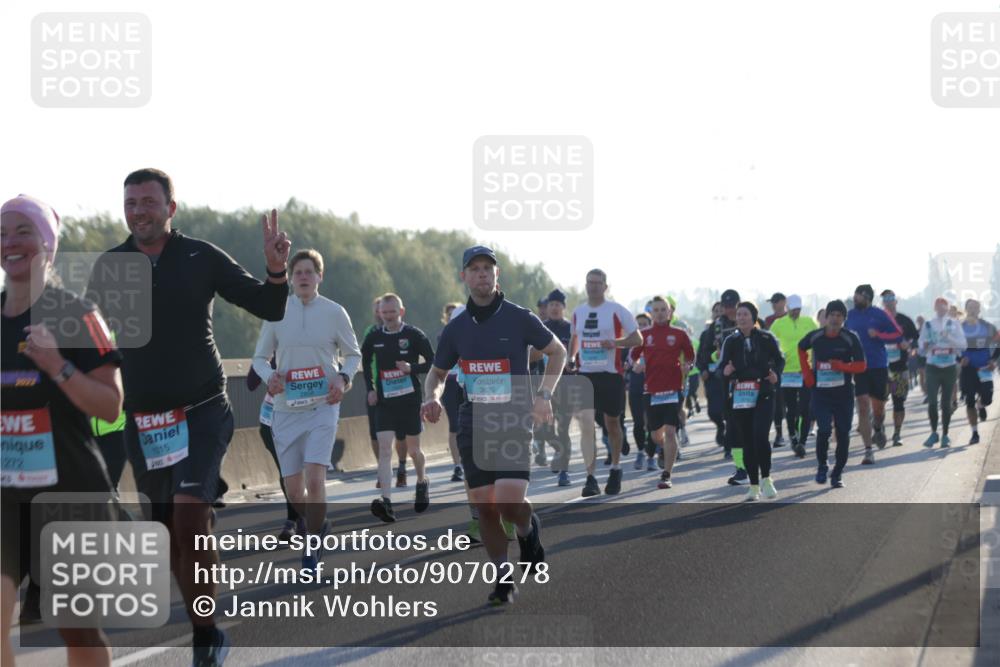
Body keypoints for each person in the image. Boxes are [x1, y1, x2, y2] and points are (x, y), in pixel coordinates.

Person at [86, 168, 290, 665]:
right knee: (169, 534)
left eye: (148, 202)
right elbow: (88, 339)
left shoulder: (200, 256)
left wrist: (275, 270)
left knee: (190, 514)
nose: (138, 211)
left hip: (202, 409)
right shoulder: (111, 266)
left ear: (170, 208)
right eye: (130, 203)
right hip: (144, 421)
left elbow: (268, 306)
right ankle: (204, 623)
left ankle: (206, 635)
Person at [2, 195, 123, 667]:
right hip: (5, 498)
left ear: (47, 245)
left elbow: (111, 405)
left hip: (70, 493)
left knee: (78, 629)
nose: (10, 242)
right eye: (1, 233)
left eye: (23, 231)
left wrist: (57, 366)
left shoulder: (78, 314)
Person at [422, 245, 566, 605]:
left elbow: (558, 352)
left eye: (488, 268)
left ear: (496, 274)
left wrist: (544, 394)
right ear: (464, 277)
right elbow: (436, 373)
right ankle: (503, 577)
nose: (482, 274)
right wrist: (432, 397)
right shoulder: (456, 328)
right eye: (474, 269)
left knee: (508, 502)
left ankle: (527, 528)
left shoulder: (519, 317)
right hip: (474, 423)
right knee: (485, 505)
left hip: (514, 419)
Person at [252, 247, 360, 571]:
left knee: (315, 478)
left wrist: (343, 378)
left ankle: (311, 547)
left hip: (322, 406)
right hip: (285, 408)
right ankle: (318, 523)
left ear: (319, 277)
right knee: (295, 491)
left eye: (308, 272)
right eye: (297, 272)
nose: (302, 277)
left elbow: (353, 355)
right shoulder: (276, 312)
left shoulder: (334, 312)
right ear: (290, 278)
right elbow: (259, 358)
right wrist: (270, 377)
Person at [362, 293, 435, 522]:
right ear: (379, 313)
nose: (388, 316)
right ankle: (386, 501)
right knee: (385, 450)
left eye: (392, 312)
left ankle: (422, 481)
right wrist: (370, 389)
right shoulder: (374, 337)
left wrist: (412, 368)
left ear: (401, 312)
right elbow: (365, 361)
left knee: (413, 451)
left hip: (410, 401)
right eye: (384, 313)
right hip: (385, 402)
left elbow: (434, 363)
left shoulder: (413, 335)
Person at [568, 269, 641, 496]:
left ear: (605, 286)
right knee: (586, 425)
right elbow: (575, 338)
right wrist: (571, 357)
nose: (593, 286)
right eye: (590, 282)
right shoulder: (578, 312)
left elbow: (637, 338)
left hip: (610, 375)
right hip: (586, 375)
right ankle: (590, 477)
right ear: (586, 285)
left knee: (612, 424)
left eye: (597, 283)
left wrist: (615, 343)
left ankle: (616, 468)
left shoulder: (617, 310)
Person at [718, 302, 784, 501]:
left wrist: (775, 374)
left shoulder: (766, 337)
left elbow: (780, 359)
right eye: (739, 314)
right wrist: (726, 371)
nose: (741, 317)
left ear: (754, 317)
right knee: (747, 440)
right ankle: (754, 486)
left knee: (760, 436)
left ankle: (766, 479)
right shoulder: (730, 341)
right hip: (741, 396)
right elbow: (721, 367)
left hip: (764, 392)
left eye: (745, 314)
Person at [798, 300, 867, 488]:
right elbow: (801, 348)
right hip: (821, 393)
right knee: (824, 430)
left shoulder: (850, 338)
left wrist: (842, 366)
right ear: (826, 317)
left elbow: (861, 365)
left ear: (844, 319)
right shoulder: (816, 336)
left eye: (839, 316)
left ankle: (837, 473)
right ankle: (822, 465)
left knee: (843, 433)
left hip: (843, 394)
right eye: (832, 315)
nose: (835, 319)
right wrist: (807, 374)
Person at [629, 297, 695, 490]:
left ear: (669, 312)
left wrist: (688, 365)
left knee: (671, 431)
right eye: (655, 310)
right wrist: (637, 365)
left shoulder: (679, 334)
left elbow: (690, 355)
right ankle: (663, 448)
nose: (659, 313)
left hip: (674, 389)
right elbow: (633, 356)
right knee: (656, 435)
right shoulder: (644, 334)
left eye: (663, 309)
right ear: (651, 313)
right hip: (652, 391)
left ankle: (667, 475)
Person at [845, 284, 902, 464]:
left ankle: (878, 426)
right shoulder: (850, 315)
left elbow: (898, 334)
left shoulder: (879, 314)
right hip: (859, 367)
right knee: (863, 406)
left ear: (867, 297)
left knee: (878, 408)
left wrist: (878, 335)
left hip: (878, 366)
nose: (855, 299)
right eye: (855, 295)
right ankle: (868, 450)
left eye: (858, 296)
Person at [247, 358, 303, 540]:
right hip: (270, 421)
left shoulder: (306, 349)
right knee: (286, 471)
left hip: (301, 418)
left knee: (300, 471)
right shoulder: (270, 355)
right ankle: (294, 519)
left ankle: (300, 516)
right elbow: (251, 384)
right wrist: (264, 359)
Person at [363, 297, 409, 488]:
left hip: (400, 387)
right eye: (380, 311)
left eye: (388, 311)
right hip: (377, 389)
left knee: (401, 434)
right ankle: (383, 470)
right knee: (375, 434)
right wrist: (371, 388)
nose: (383, 314)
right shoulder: (371, 332)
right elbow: (365, 360)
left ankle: (402, 467)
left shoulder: (405, 332)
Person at [769, 294, 819, 457]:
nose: (796, 312)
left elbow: (818, 342)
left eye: (798, 309)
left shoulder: (809, 322)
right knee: (791, 409)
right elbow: (770, 344)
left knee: (805, 408)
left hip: (804, 371)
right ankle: (793, 436)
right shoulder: (778, 324)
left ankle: (802, 442)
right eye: (793, 309)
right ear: (788, 308)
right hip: (786, 373)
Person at [918, 297, 967, 448]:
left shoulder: (954, 324)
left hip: (949, 367)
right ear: (935, 308)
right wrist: (926, 344)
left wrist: (949, 338)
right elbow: (921, 348)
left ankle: (945, 435)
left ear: (947, 308)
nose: (941, 309)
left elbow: (963, 345)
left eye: (943, 306)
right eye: (938, 306)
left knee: (946, 403)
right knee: (932, 402)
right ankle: (934, 433)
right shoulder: (928, 324)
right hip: (932, 367)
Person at [540, 290, 578, 486]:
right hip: (545, 385)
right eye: (551, 304)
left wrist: (573, 362)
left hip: (566, 384)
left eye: (558, 304)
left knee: (563, 429)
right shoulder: (540, 328)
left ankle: (564, 471)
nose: (554, 308)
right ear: (547, 308)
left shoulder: (571, 329)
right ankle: (559, 450)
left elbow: (578, 354)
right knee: (544, 430)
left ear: (564, 307)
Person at [879, 290, 919, 446]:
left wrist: (909, 345)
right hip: (881, 369)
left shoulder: (904, 320)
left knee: (899, 402)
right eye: (886, 299)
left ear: (896, 301)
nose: (889, 301)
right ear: (882, 302)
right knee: (879, 402)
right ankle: (879, 428)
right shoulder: (878, 320)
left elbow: (916, 339)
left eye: (891, 298)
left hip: (899, 368)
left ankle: (897, 433)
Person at [960, 299, 998, 444]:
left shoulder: (987, 326)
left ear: (979, 310)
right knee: (969, 401)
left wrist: (993, 360)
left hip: (984, 368)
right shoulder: (960, 328)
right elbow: (951, 346)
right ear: (966, 309)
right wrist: (960, 359)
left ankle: (981, 405)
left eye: (976, 307)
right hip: (968, 369)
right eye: (970, 308)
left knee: (988, 399)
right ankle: (974, 433)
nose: (973, 310)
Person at [696, 301, 729, 455]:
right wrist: (703, 370)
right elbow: (700, 356)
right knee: (713, 412)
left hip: (728, 376)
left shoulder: (731, 329)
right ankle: (721, 426)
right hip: (711, 377)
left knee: (729, 410)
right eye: (716, 311)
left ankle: (729, 442)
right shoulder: (706, 333)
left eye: (721, 310)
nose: (718, 313)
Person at [440, 302, 466, 482]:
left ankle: (471, 460)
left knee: (470, 423)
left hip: (469, 382)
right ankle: (457, 466)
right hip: (450, 382)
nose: (452, 318)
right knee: (454, 425)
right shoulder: (443, 335)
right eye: (449, 315)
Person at [628, 312, 654, 471]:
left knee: (652, 423)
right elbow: (625, 362)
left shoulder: (655, 342)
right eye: (639, 325)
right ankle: (640, 451)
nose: (642, 327)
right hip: (636, 387)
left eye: (645, 324)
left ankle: (651, 456)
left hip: (653, 387)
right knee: (638, 423)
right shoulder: (630, 343)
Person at [764, 292, 788, 447]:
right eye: (772, 302)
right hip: (775, 365)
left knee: (791, 403)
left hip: (793, 367)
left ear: (784, 302)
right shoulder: (768, 320)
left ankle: (795, 429)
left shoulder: (791, 318)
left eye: (776, 301)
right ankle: (779, 434)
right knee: (776, 400)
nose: (773, 304)